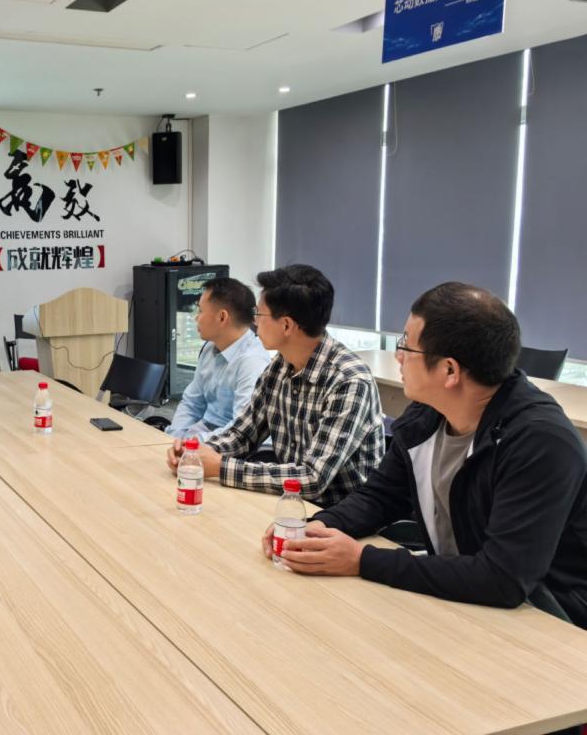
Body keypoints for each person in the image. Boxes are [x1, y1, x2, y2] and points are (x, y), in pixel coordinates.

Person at [267, 282, 587, 628]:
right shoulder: (427, 415)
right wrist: (316, 528)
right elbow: (380, 497)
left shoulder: (540, 442)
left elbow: (503, 578)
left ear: (449, 371)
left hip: (550, 621)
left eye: (406, 345)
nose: (398, 356)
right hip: (465, 599)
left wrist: (362, 560)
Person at [167, 264, 384, 507]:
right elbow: (243, 434)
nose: (253, 322)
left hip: (341, 513)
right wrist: (195, 452)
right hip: (292, 502)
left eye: (259, 315)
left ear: (287, 325)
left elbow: (313, 478)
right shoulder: (279, 367)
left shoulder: (348, 382)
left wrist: (220, 466)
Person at [165, 277, 270, 440]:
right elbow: (192, 403)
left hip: (233, 443)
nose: (196, 318)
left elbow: (241, 428)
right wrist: (175, 437)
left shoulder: (252, 361)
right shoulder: (209, 348)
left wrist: (193, 443)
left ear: (222, 317)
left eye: (200, 311)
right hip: (204, 432)